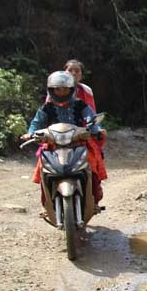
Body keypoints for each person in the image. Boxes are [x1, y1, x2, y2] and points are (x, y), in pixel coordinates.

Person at [25, 71, 107, 209]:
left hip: (79, 143)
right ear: (52, 90)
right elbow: (36, 122)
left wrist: (95, 129)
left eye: (65, 89)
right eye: (58, 89)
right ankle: (48, 203)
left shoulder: (80, 105)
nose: (62, 92)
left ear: (71, 89)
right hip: (53, 145)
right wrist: (30, 133)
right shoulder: (47, 107)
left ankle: (94, 200)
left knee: (92, 166)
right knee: (42, 168)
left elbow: (90, 118)